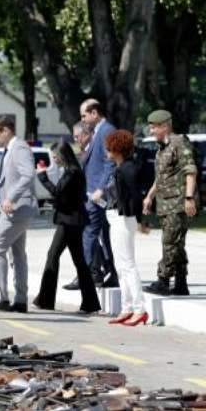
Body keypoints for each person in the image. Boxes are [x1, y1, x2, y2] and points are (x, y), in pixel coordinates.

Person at [33, 141, 101, 314]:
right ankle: (90, 303)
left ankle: (46, 299)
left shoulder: (73, 172)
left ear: (63, 155)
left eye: (55, 156)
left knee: (53, 256)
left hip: (70, 222)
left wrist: (43, 177)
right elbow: (64, 196)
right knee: (79, 262)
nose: (53, 159)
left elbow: (58, 192)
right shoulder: (71, 171)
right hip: (72, 220)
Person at [0, 114, 37, 313]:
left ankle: (2, 297)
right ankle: (20, 300)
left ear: (6, 130)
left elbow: (29, 174)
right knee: (18, 255)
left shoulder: (19, 147)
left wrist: (11, 197)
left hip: (17, 209)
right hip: (16, 210)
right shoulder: (8, 150)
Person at [141, 110, 197, 296]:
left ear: (165, 126)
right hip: (166, 204)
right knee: (177, 244)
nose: (151, 131)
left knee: (169, 242)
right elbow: (162, 178)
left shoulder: (179, 143)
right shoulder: (162, 148)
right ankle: (181, 283)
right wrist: (149, 196)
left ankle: (163, 281)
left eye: (154, 127)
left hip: (179, 203)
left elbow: (190, 171)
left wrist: (189, 198)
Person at [65, 99, 117, 290]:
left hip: (97, 194)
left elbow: (109, 163)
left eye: (84, 115)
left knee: (88, 233)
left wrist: (101, 189)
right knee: (103, 235)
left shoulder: (107, 131)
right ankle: (113, 273)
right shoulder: (98, 132)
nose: (83, 119)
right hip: (93, 193)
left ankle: (84, 275)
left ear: (94, 113)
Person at [103, 130, 148, 326]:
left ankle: (139, 309)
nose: (106, 152)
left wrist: (140, 221)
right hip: (117, 218)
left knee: (128, 265)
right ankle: (127, 307)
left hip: (124, 219)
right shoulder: (120, 167)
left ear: (117, 149)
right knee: (121, 266)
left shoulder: (127, 168)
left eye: (108, 148)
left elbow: (135, 196)